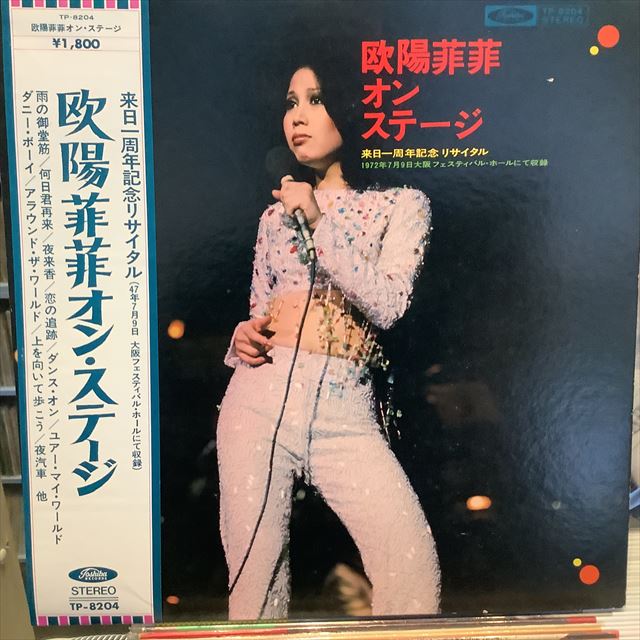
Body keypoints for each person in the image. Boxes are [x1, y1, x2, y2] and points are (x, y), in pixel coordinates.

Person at [216, 62, 441, 620]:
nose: (297, 116)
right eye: (291, 102)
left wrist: (320, 222)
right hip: (258, 400)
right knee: (256, 585)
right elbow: (259, 311)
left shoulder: (402, 202)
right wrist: (241, 337)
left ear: (355, 106)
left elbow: (389, 304)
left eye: (315, 100)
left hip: (346, 411)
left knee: (411, 566)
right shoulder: (274, 216)